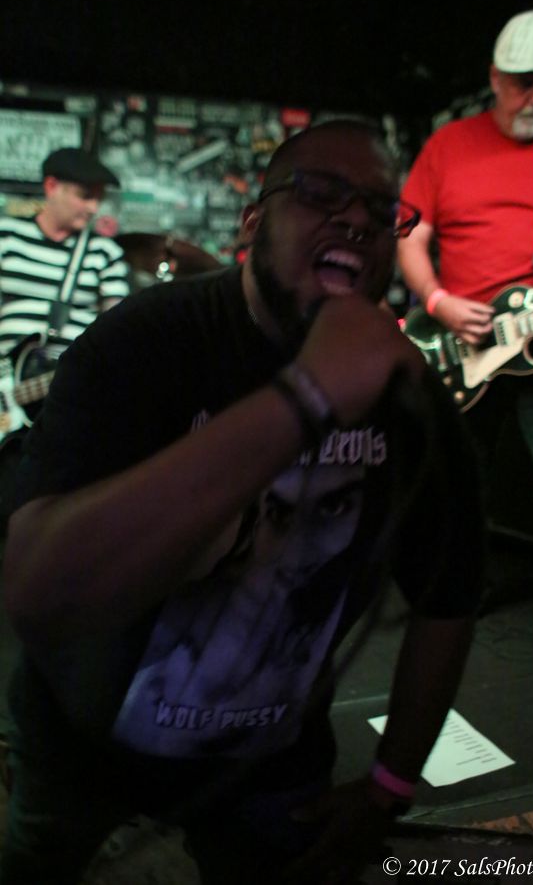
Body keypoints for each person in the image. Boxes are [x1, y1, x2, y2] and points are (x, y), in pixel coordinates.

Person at [0, 120, 483, 885]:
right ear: (254, 221)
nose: (356, 218)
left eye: (380, 208)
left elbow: (449, 593)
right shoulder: (144, 340)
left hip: (272, 770)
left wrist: (390, 785)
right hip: (79, 755)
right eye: (321, 192)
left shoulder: (407, 394)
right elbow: (39, 590)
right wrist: (308, 395)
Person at [397, 9, 533, 705]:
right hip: (462, 344)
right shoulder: (448, 144)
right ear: (494, 78)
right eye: (522, 84)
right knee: (453, 489)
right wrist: (439, 300)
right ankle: (448, 608)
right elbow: (410, 236)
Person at [0, 147, 130, 525]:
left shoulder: (103, 253)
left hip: (65, 390)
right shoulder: (8, 237)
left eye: (98, 198)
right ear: (51, 187)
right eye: (84, 195)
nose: (93, 208)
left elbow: (121, 327)